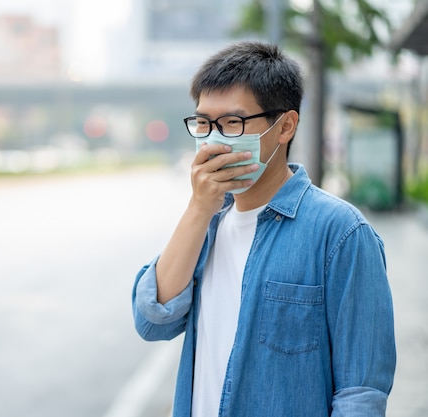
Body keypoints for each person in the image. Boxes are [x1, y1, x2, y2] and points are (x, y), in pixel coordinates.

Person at [131, 41, 396, 417]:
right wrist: (199, 207)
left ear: (285, 126)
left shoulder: (341, 233)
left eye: (234, 122)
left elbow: (362, 391)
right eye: (204, 123)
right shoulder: (206, 223)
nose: (215, 137)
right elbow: (151, 320)